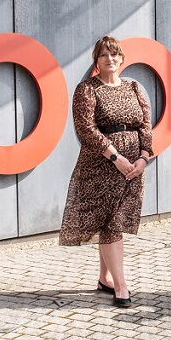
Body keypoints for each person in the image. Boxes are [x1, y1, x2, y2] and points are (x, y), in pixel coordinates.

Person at [59, 36, 153, 308]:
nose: (109, 59)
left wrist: (144, 157)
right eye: (103, 55)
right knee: (111, 222)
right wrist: (116, 157)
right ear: (96, 61)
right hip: (101, 165)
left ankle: (104, 278)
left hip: (133, 166)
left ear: (122, 58)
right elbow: (86, 129)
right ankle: (121, 286)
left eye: (114, 55)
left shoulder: (134, 87)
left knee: (112, 222)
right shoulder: (87, 89)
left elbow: (145, 126)